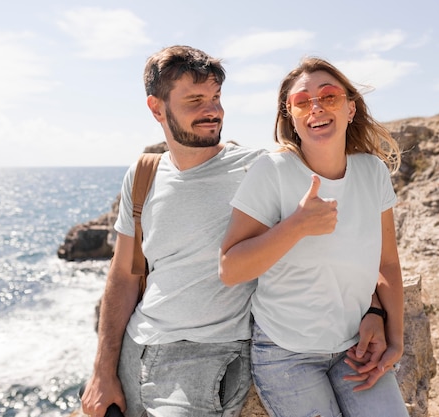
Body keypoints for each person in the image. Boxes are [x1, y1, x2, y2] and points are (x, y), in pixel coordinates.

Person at [81, 46, 388, 417]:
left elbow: (345, 238)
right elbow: (125, 274)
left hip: (208, 355)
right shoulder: (143, 173)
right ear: (156, 108)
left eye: (215, 98)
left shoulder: (260, 168)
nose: (212, 110)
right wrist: (102, 369)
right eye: (195, 100)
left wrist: (374, 308)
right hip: (137, 344)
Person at [219, 56, 409, 417]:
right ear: (290, 116)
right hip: (287, 354)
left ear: (350, 108)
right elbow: (230, 268)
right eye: (302, 102)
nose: (316, 107)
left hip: (356, 345)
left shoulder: (372, 172)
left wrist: (390, 330)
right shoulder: (272, 171)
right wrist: (298, 226)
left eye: (329, 96)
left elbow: (386, 263)